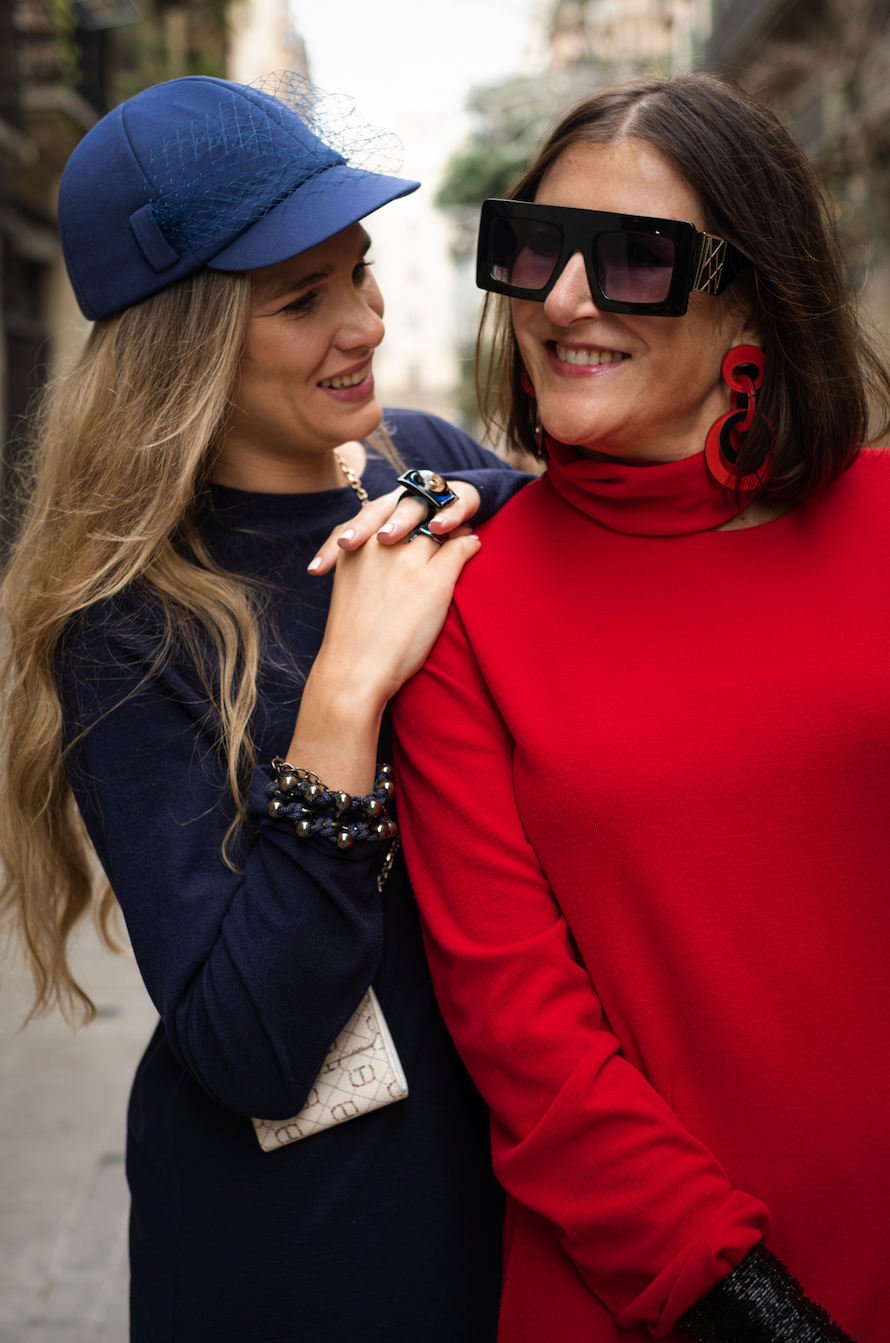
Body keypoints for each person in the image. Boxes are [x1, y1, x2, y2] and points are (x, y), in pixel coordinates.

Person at [0, 74, 531, 1342]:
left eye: (354, 270)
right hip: (307, 1250)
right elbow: (246, 1045)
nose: (360, 318)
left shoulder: (431, 468)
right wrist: (346, 690)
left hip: (513, 1205)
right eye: (301, 300)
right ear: (182, 345)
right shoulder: (126, 620)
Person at [393, 74, 890, 1343]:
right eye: (533, 248)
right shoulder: (465, 602)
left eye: (631, 261)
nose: (559, 300)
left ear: (750, 292)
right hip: (650, 1296)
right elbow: (524, 1036)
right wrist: (755, 1309)